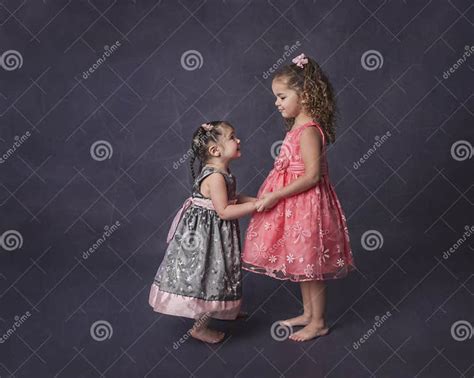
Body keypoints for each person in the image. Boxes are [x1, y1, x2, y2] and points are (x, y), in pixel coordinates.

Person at [242, 53, 356, 342]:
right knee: (303, 263)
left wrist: (276, 195)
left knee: (311, 264)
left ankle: (318, 322)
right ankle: (308, 313)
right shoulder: (296, 127)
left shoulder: (308, 131)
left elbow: (312, 176)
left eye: (281, 97)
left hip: (307, 206)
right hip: (293, 206)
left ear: (304, 96)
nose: (276, 103)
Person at [149, 121, 261, 344]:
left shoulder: (223, 171)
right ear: (215, 150)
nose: (238, 140)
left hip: (217, 233)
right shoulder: (216, 177)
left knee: (224, 272)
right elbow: (225, 210)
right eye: (232, 137)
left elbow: (233, 198)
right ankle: (200, 327)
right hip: (207, 238)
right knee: (211, 276)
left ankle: (224, 309)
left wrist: (258, 199)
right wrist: (256, 207)